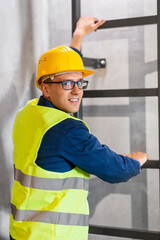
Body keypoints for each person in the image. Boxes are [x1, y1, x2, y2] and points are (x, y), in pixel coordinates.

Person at [10, 17, 149, 240]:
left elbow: (63, 72)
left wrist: (79, 36)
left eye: (80, 82)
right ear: (45, 88)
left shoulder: (28, 113)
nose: (76, 91)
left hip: (24, 232)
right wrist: (135, 161)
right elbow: (115, 170)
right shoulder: (66, 131)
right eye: (67, 84)